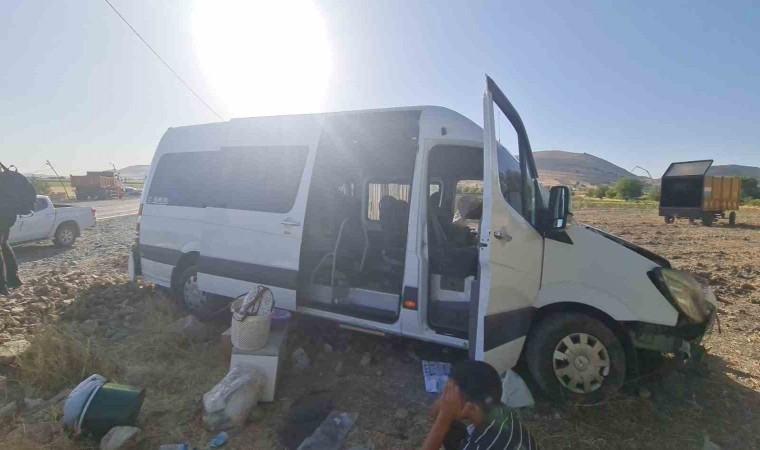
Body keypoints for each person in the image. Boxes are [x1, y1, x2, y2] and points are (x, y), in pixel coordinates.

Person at [422, 360, 539, 450]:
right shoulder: (501, 411)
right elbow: (435, 413)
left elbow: (440, 417)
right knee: (450, 429)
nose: (448, 399)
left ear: (471, 407)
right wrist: (444, 409)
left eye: (451, 394)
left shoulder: (479, 446)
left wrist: (444, 417)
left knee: (446, 425)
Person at [0, 209, 21, 296]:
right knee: (4, 244)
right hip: (6, 216)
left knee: (3, 244)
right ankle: (13, 279)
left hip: (3, 216)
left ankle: (2, 286)